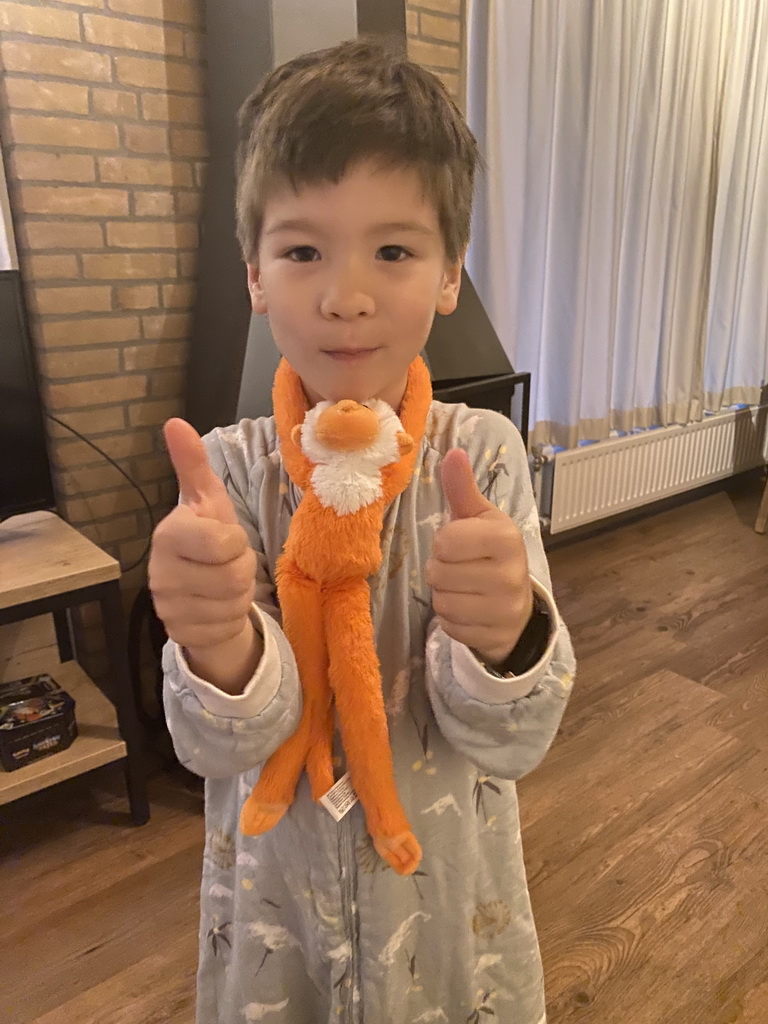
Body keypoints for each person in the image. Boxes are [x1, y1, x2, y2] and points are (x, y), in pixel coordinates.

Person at [150, 37, 576, 1024]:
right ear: (254, 272)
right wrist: (217, 649)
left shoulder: (489, 458)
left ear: (448, 273)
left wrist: (509, 633)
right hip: (276, 922)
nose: (346, 293)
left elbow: (517, 738)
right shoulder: (225, 473)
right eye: (303, 249)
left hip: (445, 923)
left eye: (392, 248)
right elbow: (217, 747)